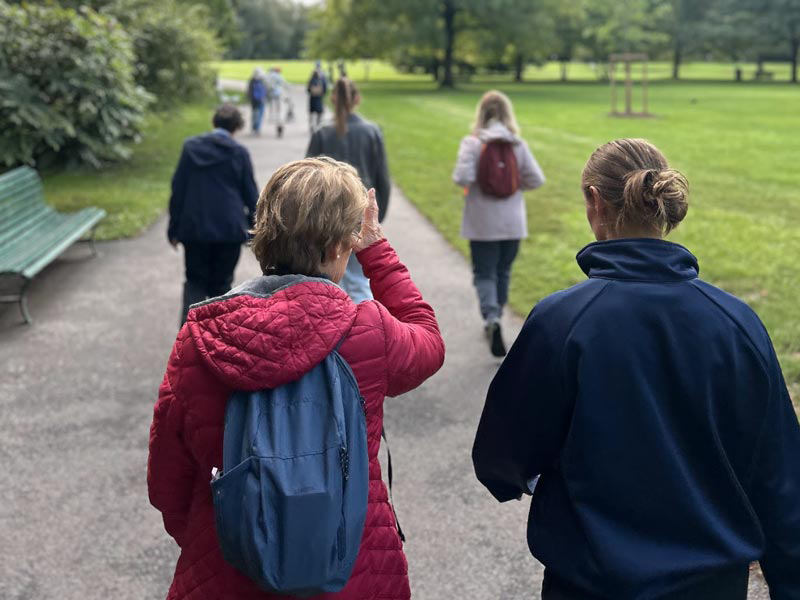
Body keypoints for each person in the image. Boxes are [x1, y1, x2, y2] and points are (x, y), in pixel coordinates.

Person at [472, 138, 800, 599]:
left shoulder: (563, 322)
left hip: (589, 584)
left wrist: (523, 477)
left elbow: (502, 455)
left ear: (594, 200)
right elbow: (782, 483)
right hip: (712, 586)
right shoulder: (736, 324)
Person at [149, 157, 445, 600]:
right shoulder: (367, 331)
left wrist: (218, 533)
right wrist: (376, 249)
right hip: (351, 562)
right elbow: (428, 339)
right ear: (339, 247)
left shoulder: (202, 338)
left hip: (227, 562)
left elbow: (167, 475)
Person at [452, 90, 545, 357]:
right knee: (503, 271)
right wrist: (514, 184)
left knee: (484, 273)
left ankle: (491, 318)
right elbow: (536, 179)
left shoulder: (472, 143)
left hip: (482, 223)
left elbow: (462, 177)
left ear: (481, 113)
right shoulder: (517, 145)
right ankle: (497, 314)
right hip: (512, 222)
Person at [167, 103, 258, 324]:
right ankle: (218, 341)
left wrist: (174, 229)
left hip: (194, 228)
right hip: (229, 230)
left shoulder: (191, 148)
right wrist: (254, 227)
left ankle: (188, 340)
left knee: (195, 282)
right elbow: (251, 195)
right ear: (237, 127)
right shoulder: (239, 153)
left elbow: (178, 188)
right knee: (222, 285)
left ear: (213, 122)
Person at [306, 77, 391, 303]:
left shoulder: (322, 133)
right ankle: (367, 330)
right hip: (360, 213)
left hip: (326, 215)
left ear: (333, 98)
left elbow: (306, 179)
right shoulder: (371, 132)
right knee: (358, 280)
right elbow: (383, 178)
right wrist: (378, 215)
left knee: (328, 278)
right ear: (357, 99)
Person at [265, 66, 288, 137]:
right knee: (279, 109)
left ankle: (271, 116)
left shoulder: (269, 76)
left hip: (271, 94)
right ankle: (278, 120)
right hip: (278, 93)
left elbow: (267, 84)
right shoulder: (278, 76)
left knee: (272, 106)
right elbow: (284, 83)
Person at [307, 61, 328, 131]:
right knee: (319, 113)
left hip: (312, 99)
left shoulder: (311, 80)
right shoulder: (322, 78)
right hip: (319, 98)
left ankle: (311, 126)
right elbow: (325, 89)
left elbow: (308, 89)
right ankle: (318, 126)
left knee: (311, 114)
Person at [246, 67, 267, 135]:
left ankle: (253, 127)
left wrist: (248, 98)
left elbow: (248, 90)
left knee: (254, 114)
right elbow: (266, 90)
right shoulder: (263, 80)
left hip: (253, 100)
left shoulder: (251, 80)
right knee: (260, 114)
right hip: (261, 100)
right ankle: (257, 129)